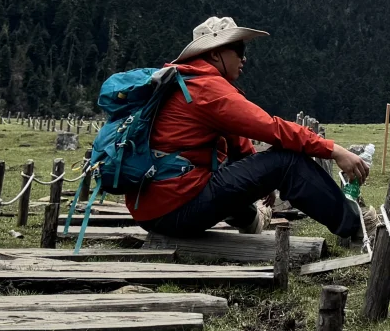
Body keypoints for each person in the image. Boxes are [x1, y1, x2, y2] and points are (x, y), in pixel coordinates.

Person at [126, 16, 370, 240]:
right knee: (288, 162)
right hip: (174, 212)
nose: (244, 58)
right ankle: (359, 228)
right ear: (214, 54)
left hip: (152, 211)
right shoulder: (207, 89)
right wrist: (334, 150)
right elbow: (272, 128)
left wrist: (262, 182)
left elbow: (237, 144)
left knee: (226, 167)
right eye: (239, 49)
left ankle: (252, 221)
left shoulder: (187, 82)